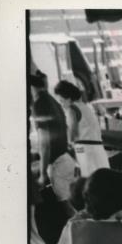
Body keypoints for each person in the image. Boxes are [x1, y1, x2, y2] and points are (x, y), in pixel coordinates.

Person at [29, 72, 80, 219]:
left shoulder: (39, 104)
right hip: (65, 160)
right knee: (73, 210)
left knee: (69, 212)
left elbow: (45, 144)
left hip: (59, 165)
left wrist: (43, 173)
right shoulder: (51, 100)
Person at [54, 79, 110, 177]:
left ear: (69, 98)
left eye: (62, 101)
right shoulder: (84, 106)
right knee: (103, 180)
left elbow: (72, 136)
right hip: (98, 148)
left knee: (90, 182)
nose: (62, 105)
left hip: (85, 150)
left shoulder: (72, 109)